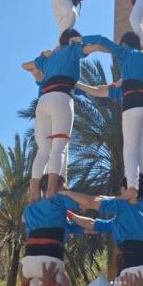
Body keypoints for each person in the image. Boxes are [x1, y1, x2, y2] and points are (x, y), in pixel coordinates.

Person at [72, 32, 143, 203]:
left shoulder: (127, 54)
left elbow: (101, 40)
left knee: (130, 149)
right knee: (142, 155)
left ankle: (132, 187)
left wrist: (79, 40)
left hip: (133, 106)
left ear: (124, 44)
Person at [21, 29, 101, 201]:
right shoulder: (73, 49)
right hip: (62, 99)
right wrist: (103, 45)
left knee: (43, 150)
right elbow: (93, 47)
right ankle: (51, 192)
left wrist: (43, 55)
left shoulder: (49, 58)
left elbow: (25, 66)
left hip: (43, 102)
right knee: (59, 148)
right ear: (73, 40)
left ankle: (33, 192)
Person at [62, 174, 143, 286]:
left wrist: (66, 193)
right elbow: (91, 224)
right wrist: (70, 215)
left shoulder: (123, 204)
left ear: (126, 190)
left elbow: (90, 201)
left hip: (133, 271)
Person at [76, 82, 143, 202]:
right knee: (142, 158)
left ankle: (133, 193)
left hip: (138, 115)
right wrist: (109, 86)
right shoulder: (139, 78)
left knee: (132, 157)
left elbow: (99, 91)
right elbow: (103, 88)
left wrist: (77, 84)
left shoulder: (125, 87)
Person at [21, 174, 84, 286]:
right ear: (57, 188)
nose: (65, 191)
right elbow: (86, 205)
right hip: (50, 262)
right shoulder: (59, 202)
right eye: (64, 189)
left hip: (31, 264)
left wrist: (24, 285)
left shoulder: (29, 211)